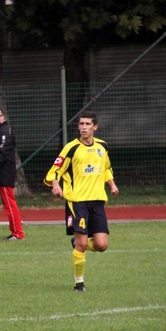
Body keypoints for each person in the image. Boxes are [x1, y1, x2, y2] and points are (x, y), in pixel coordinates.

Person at [44, 110, 119, 292]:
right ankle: (79, 283)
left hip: (97, 201)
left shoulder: (102, 147)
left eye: (87, 124)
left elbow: (106, 168)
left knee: (101, 245)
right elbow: (55, 169)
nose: (84, 127)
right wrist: (56, 185)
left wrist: (112, 184)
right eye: (81, 124)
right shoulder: (71, 148)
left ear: (95, 127)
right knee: (83, 244)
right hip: (77, 202)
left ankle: (77, 244)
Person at [0, 107, 25, 240]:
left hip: (4, 174)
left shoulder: (5, 132)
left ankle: (18, 233)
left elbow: (2, 155)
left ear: (2, 117)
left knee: (9, 203)